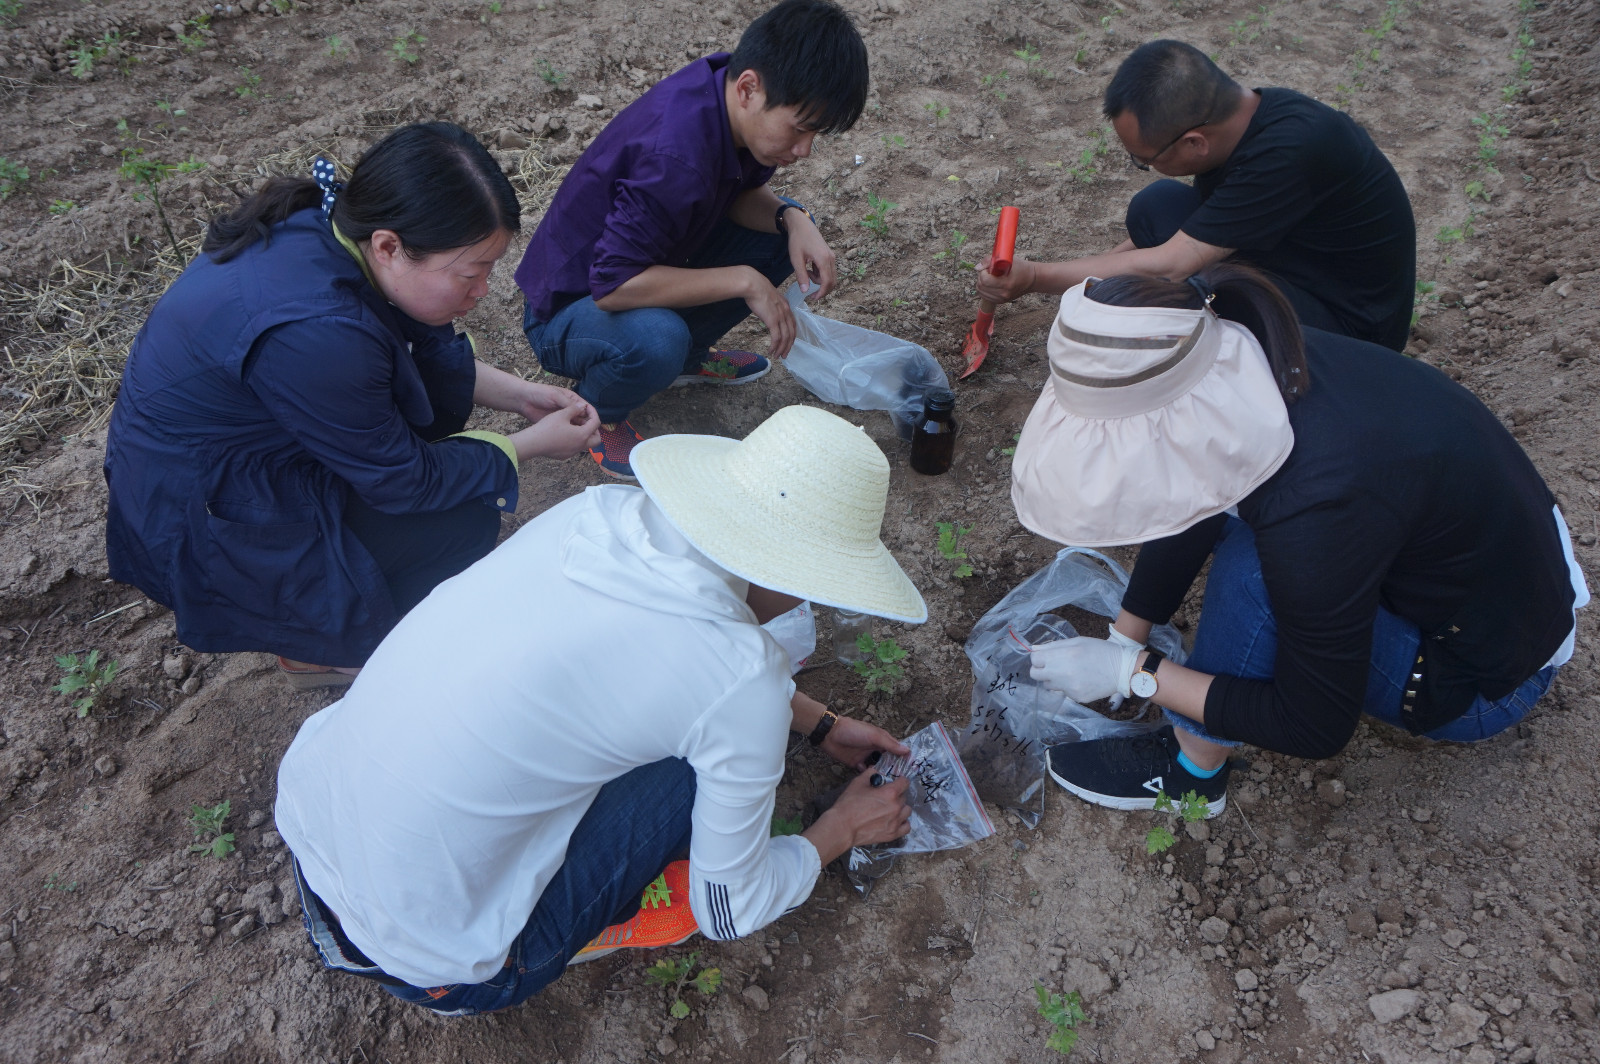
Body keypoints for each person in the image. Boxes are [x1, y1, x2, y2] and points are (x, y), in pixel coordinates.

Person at [273, 404, 926, 1014]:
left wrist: (818, 725)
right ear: (790, 574)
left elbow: (673, 672)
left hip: (314, 821)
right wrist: (844, 825)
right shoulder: (740, 681)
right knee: (689, 772)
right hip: (434, 961)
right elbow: (731, 911)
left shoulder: (599, 514)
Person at [1007, 265, 1587, 815]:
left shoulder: (1318, 498)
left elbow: (1314, 724)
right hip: (1499, 589)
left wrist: (1132, 671)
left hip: (1485, 678)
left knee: (1254, 563)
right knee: (1259, 535)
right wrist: (1125, 630)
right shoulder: (1248, 356)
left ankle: (1193, 771)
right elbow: (1196, 494)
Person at [104, 122, 599, 686]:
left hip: (233, 462)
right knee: (459, 520)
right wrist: (530, 446)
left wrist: (524, 396)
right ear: (389, 246)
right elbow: (407, 482)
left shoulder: (334, 227)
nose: (483, 289)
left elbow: (400, 352)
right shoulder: (318, 333)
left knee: (436, 466)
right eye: (472, 271)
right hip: (206, 514)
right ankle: (323, 650)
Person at [514, 0, 868, 479]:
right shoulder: (674, 157)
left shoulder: (729, 97)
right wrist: (745, 281)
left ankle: (688, 359)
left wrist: (793, 219)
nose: (804, 150)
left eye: (815, 135)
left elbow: (741, 194)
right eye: (800, 129)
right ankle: (600, 411)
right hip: (566, 310)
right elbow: (613, 286)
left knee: (777, 237)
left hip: (643, 264)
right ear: (749, 89)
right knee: (659, 338)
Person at [976, 40, 1416, 352]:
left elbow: (1172, 263)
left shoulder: (1292, 150)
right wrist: (1089, 292)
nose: (1143, 166)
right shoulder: (1243, 121)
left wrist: (1034, 277)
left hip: (1349, 328)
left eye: (1144, 159)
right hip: (1297, 265)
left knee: (1194, 288)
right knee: (1157, 207)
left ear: (1193, 143)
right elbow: (1190, 234)